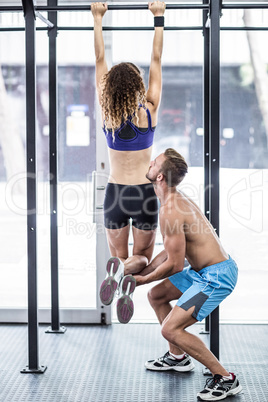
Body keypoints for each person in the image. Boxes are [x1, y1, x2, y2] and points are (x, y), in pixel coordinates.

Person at [132, 148, 243, 401]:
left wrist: (140, 279)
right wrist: (145, 273)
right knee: (157, 295)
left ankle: (225, 378)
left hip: (216, 278)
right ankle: (177, 357)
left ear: (159, 176)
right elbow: (172, 252)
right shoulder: (173, 200)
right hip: (201, 272)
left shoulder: (171, 208)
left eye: (155, 162)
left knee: (171, 328)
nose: (151, 163)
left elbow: (174, 264)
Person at [91, 1, 166, 324]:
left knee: (117, 256)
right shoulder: (148, 110)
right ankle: (126, 279)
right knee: (143, 257)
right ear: (137, 86)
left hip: (115, 194)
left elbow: (98, 59)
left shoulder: (108, 114)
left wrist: (97, 18)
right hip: (145, 195)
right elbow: (156, 59)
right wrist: (158, 17)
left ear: (110, 90)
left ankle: (118, 270)